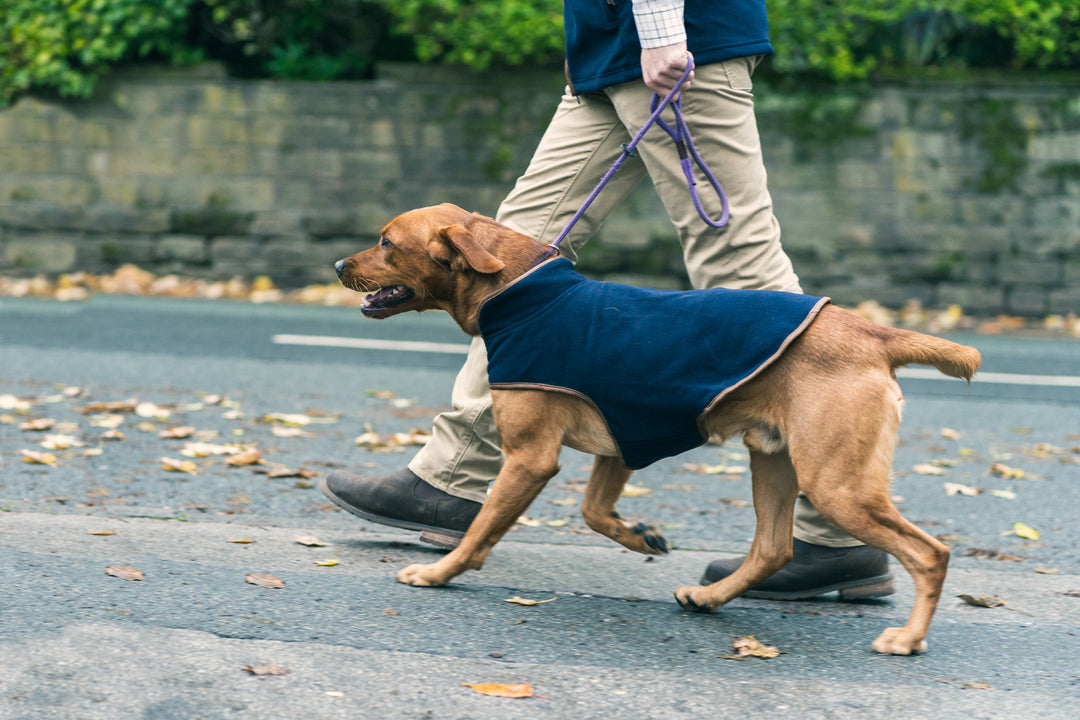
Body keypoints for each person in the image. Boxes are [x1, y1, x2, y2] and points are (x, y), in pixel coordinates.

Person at [321, 0, 894, 600]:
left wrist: (664, 32)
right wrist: (586, 41)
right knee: (501, 257)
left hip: (676, 44)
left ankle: (833, 528)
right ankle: (452, 477)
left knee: (738, 265)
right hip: (608, 50)